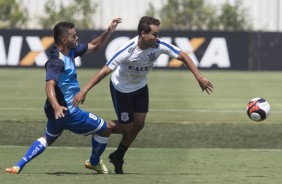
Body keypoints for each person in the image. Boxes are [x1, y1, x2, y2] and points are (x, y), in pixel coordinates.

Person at [72, 16, 214, 174]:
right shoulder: (127, 50)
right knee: (127, 128)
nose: (157, 37)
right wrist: (84, 90)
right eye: (154, 34)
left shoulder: (159, 45)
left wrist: (199, 77)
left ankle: (118, 155)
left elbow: (184, 56)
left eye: (158, 33)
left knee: (139, 125)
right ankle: (101, 127)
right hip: (122, 90)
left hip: (140, 88)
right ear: (142, 34)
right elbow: (104, 70)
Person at [4, 17, 122, 174]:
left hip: (57, 113)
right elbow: (49, 85)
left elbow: (94, 46)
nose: (77, 38)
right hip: (68, 111)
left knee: (48, 138)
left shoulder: (70, 50)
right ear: (64, 39)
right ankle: (94, 162)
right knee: (106, 129)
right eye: (74, 36)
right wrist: (57, 106)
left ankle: (18, 165)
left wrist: (109, 31)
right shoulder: (56, 61)